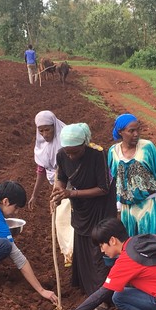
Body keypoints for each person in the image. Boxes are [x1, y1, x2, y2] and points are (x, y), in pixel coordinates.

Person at [50, 123, 117, 296]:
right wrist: (58, 192)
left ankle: (101, 294)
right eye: (68, 152)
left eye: (76, 152)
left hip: (100, 206)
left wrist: (71, 193)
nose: (71, 157)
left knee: (98, 248)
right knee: (82, 242)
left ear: (85, 144)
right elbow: (61, 178)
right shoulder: (62, 155)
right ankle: (87, 288)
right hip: (80, 207)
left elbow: (104, 188)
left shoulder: (98, 154)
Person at [108, 113, 156, 237]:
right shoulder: (113, 151)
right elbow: (115, 180)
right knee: (131, 246)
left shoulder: (147, 148)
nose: (136, 134)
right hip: (128, 208)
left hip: (151, 204)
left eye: (138, 130)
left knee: (150, 245)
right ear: (120, 132)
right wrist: (117, 205)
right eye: (131, 131)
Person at [28, 110, 73, 266]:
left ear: (54, 126)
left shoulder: (66, 140)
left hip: (73, 188)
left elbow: (63, 171)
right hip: (58, 189)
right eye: (41, 131)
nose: (44, 134)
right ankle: (68, 254)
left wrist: (56, 193)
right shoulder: (41, 146)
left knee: (66, 220)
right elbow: (41, 171)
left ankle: (73, 252)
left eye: (48, 129)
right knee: (61, 222)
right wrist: (35, 195)